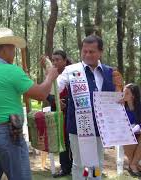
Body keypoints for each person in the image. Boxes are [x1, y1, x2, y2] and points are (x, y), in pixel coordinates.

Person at [0, 27, 59, 180]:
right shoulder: (11, 71)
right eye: (12, 48)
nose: (14, 52)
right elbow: (41, 94)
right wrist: (50, 77)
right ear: (5, 49)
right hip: (7, 135)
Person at [57, 35, 116, 180]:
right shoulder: (70, 70)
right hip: (78, 128)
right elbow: (56, 87)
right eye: (85, 51)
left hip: (100, 127)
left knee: (97, 165)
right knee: (79, 164)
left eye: (92, 51)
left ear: (100, 52)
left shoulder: (110, 72)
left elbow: (116, 98)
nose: (87, 55)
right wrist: (51, 79)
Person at [42, 50, 73, 178]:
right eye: (53, 60)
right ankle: (65, 167)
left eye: (58, 60)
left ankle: (80, 166)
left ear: (65, 61)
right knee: (62, 139)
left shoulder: (72, 74)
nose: (55, 62)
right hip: (58, 113)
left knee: (71, 139)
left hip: (71, 113)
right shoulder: (51, 75)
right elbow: (45, 93)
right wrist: (54, 100)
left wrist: (67, 102)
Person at [122, 83, 141, 177]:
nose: (123, 94)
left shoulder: (139, 107)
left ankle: (132, 164)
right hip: (125, 133)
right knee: (128, 136)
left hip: (138, 133)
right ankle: (134, 164)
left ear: (133, 96)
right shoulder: (121, 107)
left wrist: (136, 128)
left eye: (127, 93)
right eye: (123, 92)